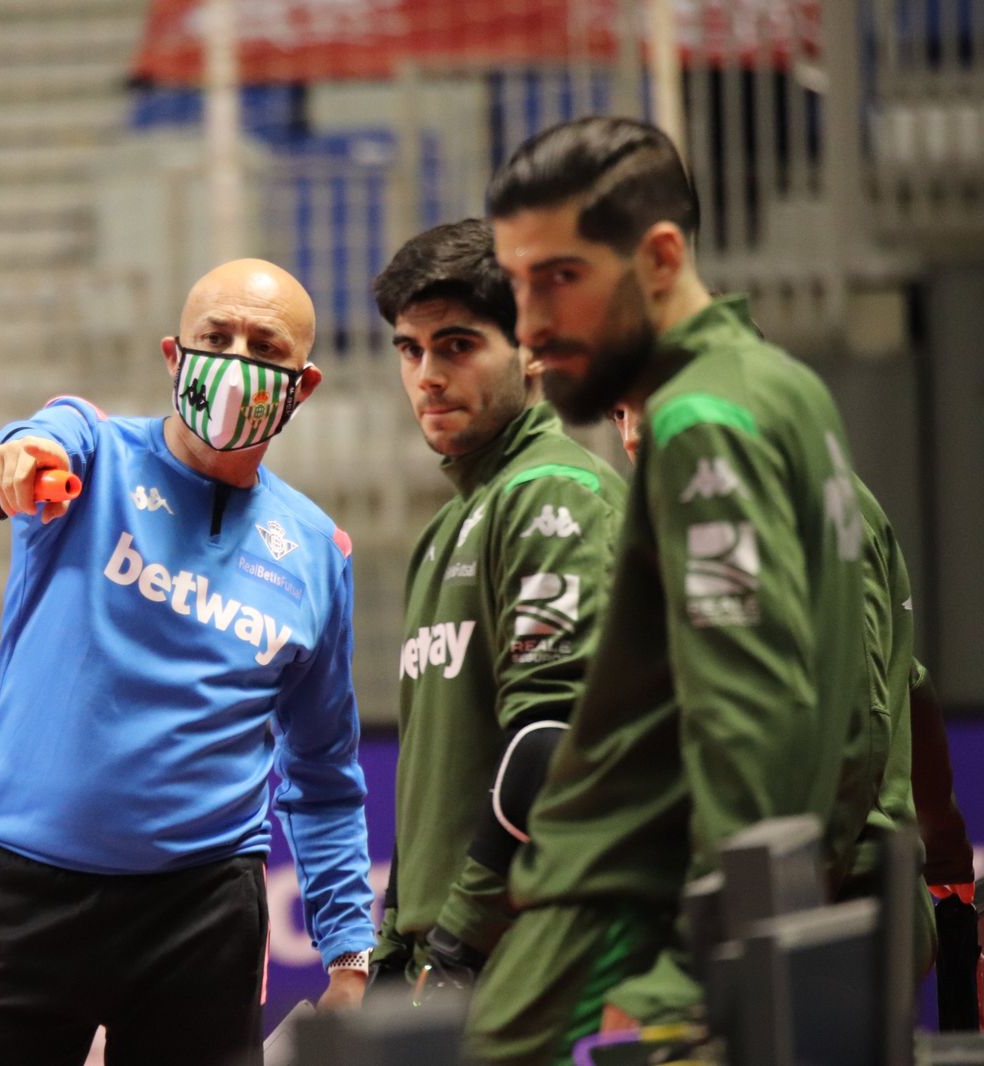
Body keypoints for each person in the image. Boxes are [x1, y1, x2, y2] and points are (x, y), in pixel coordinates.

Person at [464, 116, 873, 1065]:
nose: (528, 327)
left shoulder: (699, 422)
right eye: (518, 284)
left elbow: (751, 713)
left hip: (624, 926)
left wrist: (697, 978)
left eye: (560, 278)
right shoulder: (780, 384)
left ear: (658, 256)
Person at [0, 259, 376, 1066]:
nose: (236, 363)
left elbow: (324, 771)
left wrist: (348, 951)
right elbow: (23, 448)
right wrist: (21, 457)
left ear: (302, 386)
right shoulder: (90, 456)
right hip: (25, 893)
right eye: (216, 337)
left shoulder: (316, 551)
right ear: (175, 357)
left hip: (201, 919)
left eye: (264, 347)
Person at [612, 403, 979, 1027]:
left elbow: (858, 731)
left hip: (821, 919)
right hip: (745, 913)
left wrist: (773, 914)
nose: (631, 433)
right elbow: (913, 688)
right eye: (618, 412)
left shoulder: (818, 502)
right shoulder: (697, 523)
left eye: (651, 405)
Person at [365, 220, 625, 998]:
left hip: (527, 963)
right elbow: (435, 789)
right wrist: (392, 949)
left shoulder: (556, 495)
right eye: (409, 351)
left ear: (534, 350)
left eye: (456, 345)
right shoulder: (446, 526)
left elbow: (549, 750)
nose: (426, 377)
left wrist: (457, 949)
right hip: (448, 958)